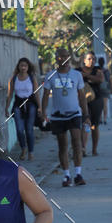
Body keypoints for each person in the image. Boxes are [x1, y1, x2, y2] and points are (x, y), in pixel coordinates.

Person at [42, 47, 90, 186]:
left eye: (66, 56)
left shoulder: (76, 75)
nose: (63, 58)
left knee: (77, 142)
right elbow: (45, 95)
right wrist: (43, 112)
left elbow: (82, 96)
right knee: (62, 145)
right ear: (56, 57)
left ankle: (78, 174)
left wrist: (85, 114)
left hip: (74, 113)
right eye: (60, 56)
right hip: (57, 116)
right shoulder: (50, 75)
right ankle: (66, 175)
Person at [6, 57, 41, 161]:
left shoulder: (31, 78)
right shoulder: (13, 79)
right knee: (20, 130)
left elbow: (37, 93)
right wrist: (6, 108)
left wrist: (40, 107)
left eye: (25, 66)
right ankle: (23, 148)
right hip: (18, 105)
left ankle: (31, 152)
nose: (23, 68)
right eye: (21, 65)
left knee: (29, 130)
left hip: (30, 105)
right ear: (18, 67)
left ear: (28, 67)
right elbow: (9, 94)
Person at [81, 51, 104, 155]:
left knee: (94, 125)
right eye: (89, 59)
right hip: (82, 101)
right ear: (84, 60)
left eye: (94, 59)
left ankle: (94, 149)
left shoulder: (97, 70)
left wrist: (86, 76)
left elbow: (100, 80)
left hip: (96, 100)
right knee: (85, 123)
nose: (92, 61)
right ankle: (83, 149)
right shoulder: (77, 71)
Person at [97, 55, 112, 124]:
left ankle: (100, 119)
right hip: (106, 88)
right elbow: (109, 80)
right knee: (105, 104)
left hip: (98, 89)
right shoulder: (106, 71)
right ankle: (105, 119)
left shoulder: (97, 70)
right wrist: (111, 87)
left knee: (99, 104)